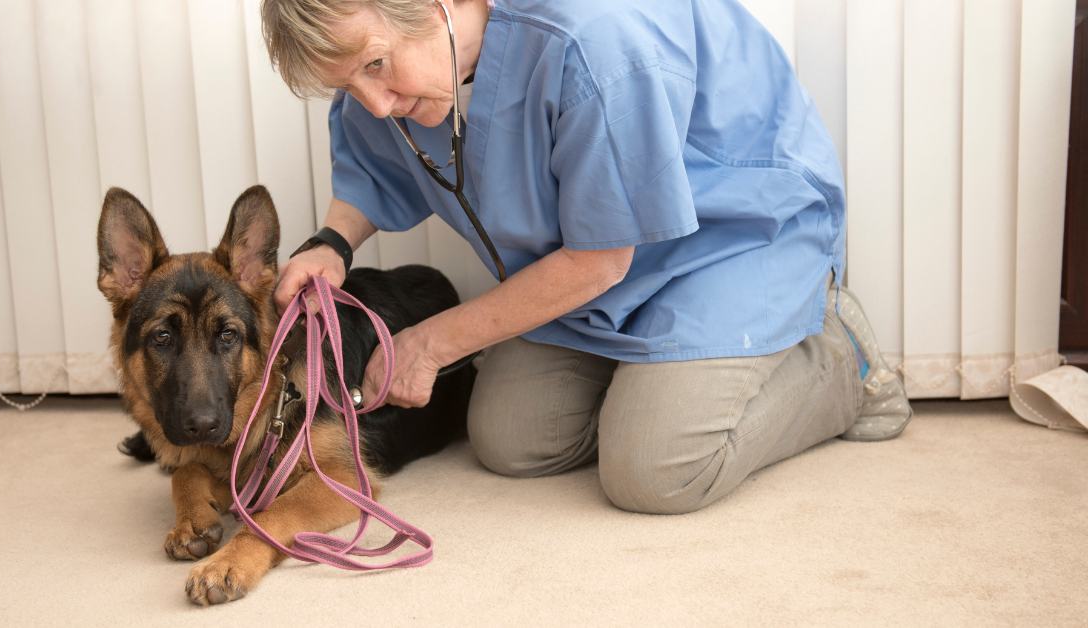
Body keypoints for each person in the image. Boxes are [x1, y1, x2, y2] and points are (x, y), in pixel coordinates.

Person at [263, 0, 912, 515]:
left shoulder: (595, 35)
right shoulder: (398, 73)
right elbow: (373, 168)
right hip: (596, 261)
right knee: (510, 440)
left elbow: (598, 261)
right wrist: (333, 243)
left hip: (733, 232)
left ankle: (844, 361)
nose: (372, 104)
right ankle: (662, 374)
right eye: (345, 84)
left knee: (655, 470)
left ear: (437, 5)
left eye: (375, 66)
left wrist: (429, 345)